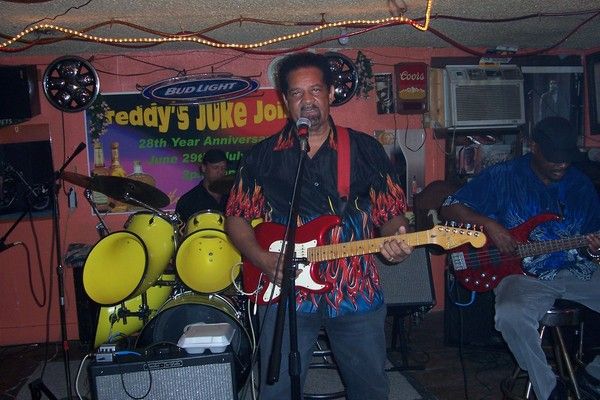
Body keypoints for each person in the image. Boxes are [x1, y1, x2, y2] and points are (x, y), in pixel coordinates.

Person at [224, 52, 413, 400]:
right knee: (276, 389)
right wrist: (260, 258)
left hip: (354, 290)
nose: (307, 100)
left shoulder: (365, 149)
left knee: (370, 388)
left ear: (330, 94)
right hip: (285, 293)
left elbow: (391, 214)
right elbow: (236, 216)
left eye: (315, 90)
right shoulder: (263, 156)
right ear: (285, 100)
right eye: (297, 93)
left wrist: (396, 241)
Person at [440, 116, 600, 400]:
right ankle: (549, 389)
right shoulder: (503, 176)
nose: (561, 164)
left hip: (577, 271)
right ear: (533, 147)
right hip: (520, 276)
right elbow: (449, 208)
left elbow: (591, 241)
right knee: (510, 315)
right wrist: (489, 224)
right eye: (553, 157)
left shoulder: (581, 185)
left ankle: (592, 377)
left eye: (566, 158)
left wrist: (594, 250)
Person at [175, 148, 229, 223]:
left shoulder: (231, 198)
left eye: (223, 168)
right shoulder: (188, 201)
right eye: (215, 167)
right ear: (204, 168)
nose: (220, 172)